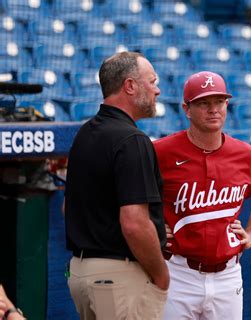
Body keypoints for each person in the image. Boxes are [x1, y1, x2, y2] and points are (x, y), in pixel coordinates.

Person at [153, 71, 251, 319]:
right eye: (203, 103)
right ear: (186, 109)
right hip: (177, 271)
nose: (213, 110)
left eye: (219, 102)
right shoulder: (160, 152)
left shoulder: (247, 155)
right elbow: (132, 197)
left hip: (228, 274)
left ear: (227, 105)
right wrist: (153, 224)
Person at [64, 52, 169, 320]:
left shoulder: (85, 133)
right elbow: (134, 223)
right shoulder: (132, 140)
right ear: (130, 86)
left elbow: (68, 208)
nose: (157, 90)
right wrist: (161, 275)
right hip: (119, 278)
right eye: (152, 81)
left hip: (82, 273)